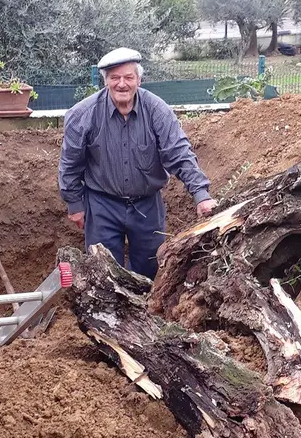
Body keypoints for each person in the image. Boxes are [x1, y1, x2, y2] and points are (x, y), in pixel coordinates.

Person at [58, 47, 217, 281]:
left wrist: (201, 194)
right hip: (102, 205)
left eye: (128, 77)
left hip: (147, 207)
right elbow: (70, 163)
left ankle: (142, 314)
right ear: (106, 81)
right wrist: (75, 204)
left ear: (139, 80)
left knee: (149, 270)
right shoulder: (83, 114)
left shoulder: (157, 110)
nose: (122, 84)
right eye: (115, 78)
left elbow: (179, 152)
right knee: (102, 272)